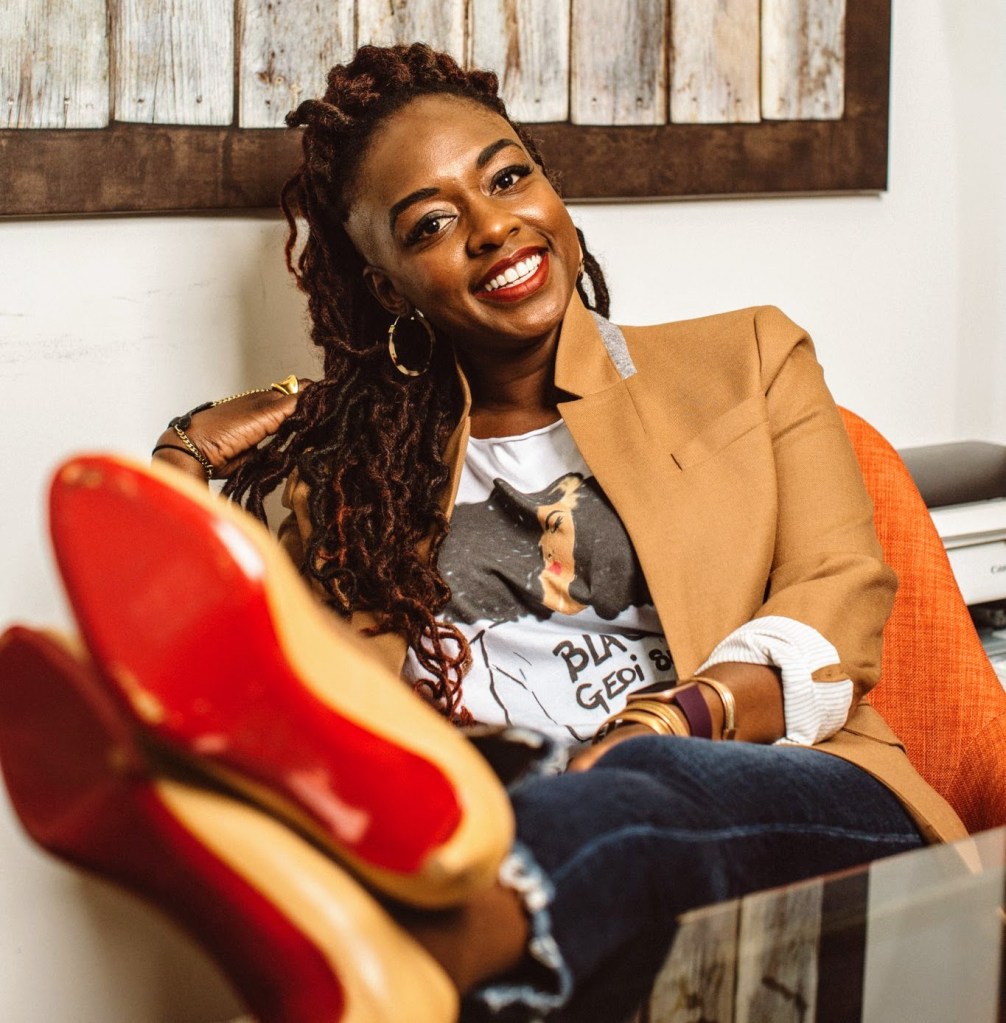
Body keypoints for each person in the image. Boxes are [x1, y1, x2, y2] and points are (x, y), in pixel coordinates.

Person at [0, 42, 968, 1023]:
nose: (493, 226)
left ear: (551, 189)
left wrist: (674, 717)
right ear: (388, 287)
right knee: (488, 810)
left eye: (508, 178)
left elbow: (839, 600)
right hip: (513, 836)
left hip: (797, 800)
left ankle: (394, 957)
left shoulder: (748, 359)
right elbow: (308, 685)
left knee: (637, 781)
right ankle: (226, 828)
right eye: (430, 223)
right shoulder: (358, 482)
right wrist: (184, 459)